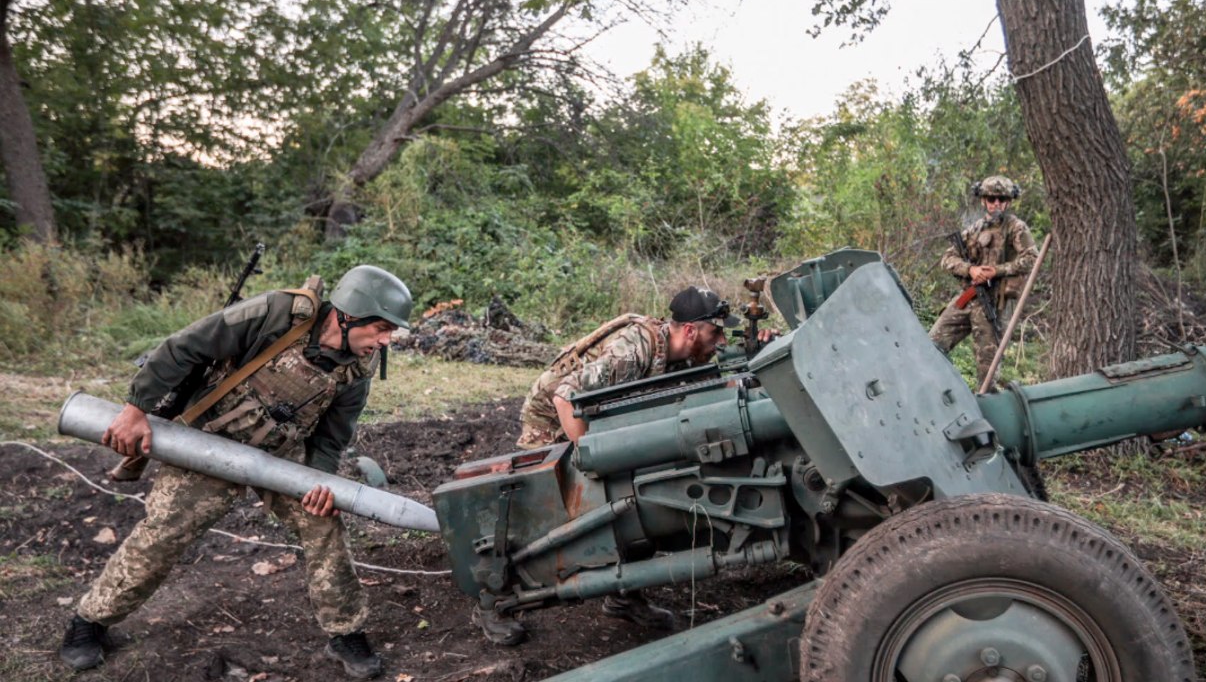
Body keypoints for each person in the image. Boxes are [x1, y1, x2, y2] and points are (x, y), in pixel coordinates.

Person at [58, 265, 414, 680]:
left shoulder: (356, 371)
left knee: (324, 526)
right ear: (348, 315)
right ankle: (89, 624)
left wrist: (318, 482)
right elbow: (184, 347)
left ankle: (346, 632)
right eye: (381, 329)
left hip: (281, 459)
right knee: (163, 534)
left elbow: (332, 437)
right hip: (205, 444)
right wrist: (136, 410)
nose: (386, 341)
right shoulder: (279, 313)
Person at [480, 286, 740, 645]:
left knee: (634, 494)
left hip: (597, 418)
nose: (722, 340)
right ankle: (493, 601)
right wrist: (591, 459)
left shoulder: (685, 353)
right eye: (716, 332)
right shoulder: (632, 351)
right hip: (554, 420)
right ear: (691, 331)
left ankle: (623, 597)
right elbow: (565, 396)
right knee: (545, 516)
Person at [929, 175, 1038, 390]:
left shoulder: (1016, 228)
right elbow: (948, 259)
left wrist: (996, 271)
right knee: (931, 345)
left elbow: (1031, 258)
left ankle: (986, 412)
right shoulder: (974, 229)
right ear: (983, 200)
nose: (996, 203)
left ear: (1008, 201)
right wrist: (971, 269)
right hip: (968, 299)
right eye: (991, 198)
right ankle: (939, 391)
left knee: (987, 374)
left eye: (1001, 199)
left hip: (994, 305)